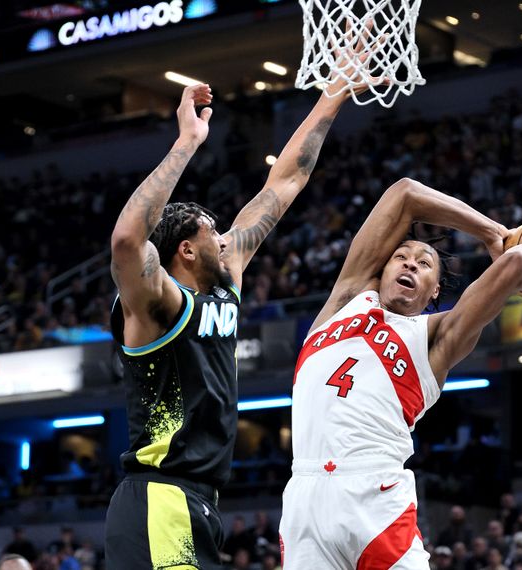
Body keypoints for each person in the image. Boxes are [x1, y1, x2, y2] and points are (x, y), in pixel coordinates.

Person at [105, 61, 366, 568]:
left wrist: (334, 93)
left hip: (200, 503)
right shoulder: (156, 305)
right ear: (184, 249)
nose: (225, 237)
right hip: (158, 497)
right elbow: (125, 240)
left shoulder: (225, 283)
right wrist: (188, 142)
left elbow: (284, 182)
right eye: (212, 231)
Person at [279, 177, 522, 568]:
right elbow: (405, 192)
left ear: (435, 290)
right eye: (401, 256)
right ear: (381, 270)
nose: (410, 263)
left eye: (424, 264)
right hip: (304, 496)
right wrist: (492, 231)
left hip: (375, 494)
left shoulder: (436, 336)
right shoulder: (346, 299)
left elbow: (514, 265)